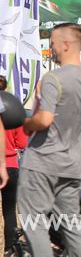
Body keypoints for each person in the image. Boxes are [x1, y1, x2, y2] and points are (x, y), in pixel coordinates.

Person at [17, 23, 81, 257]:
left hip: (42, 162)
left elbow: (44, 119)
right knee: (72, 224)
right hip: (72, 164)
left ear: (65, 44)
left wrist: (27, 122)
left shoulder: (54, 78)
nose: (50, 47)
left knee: (34, 221)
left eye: (52, 42)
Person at [0, 75, 24, 253]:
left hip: (5, 164)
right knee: (9, 211)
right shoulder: (13, 110)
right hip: (10, 164)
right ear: (6, 89)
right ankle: (10, 249)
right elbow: (22, 143)